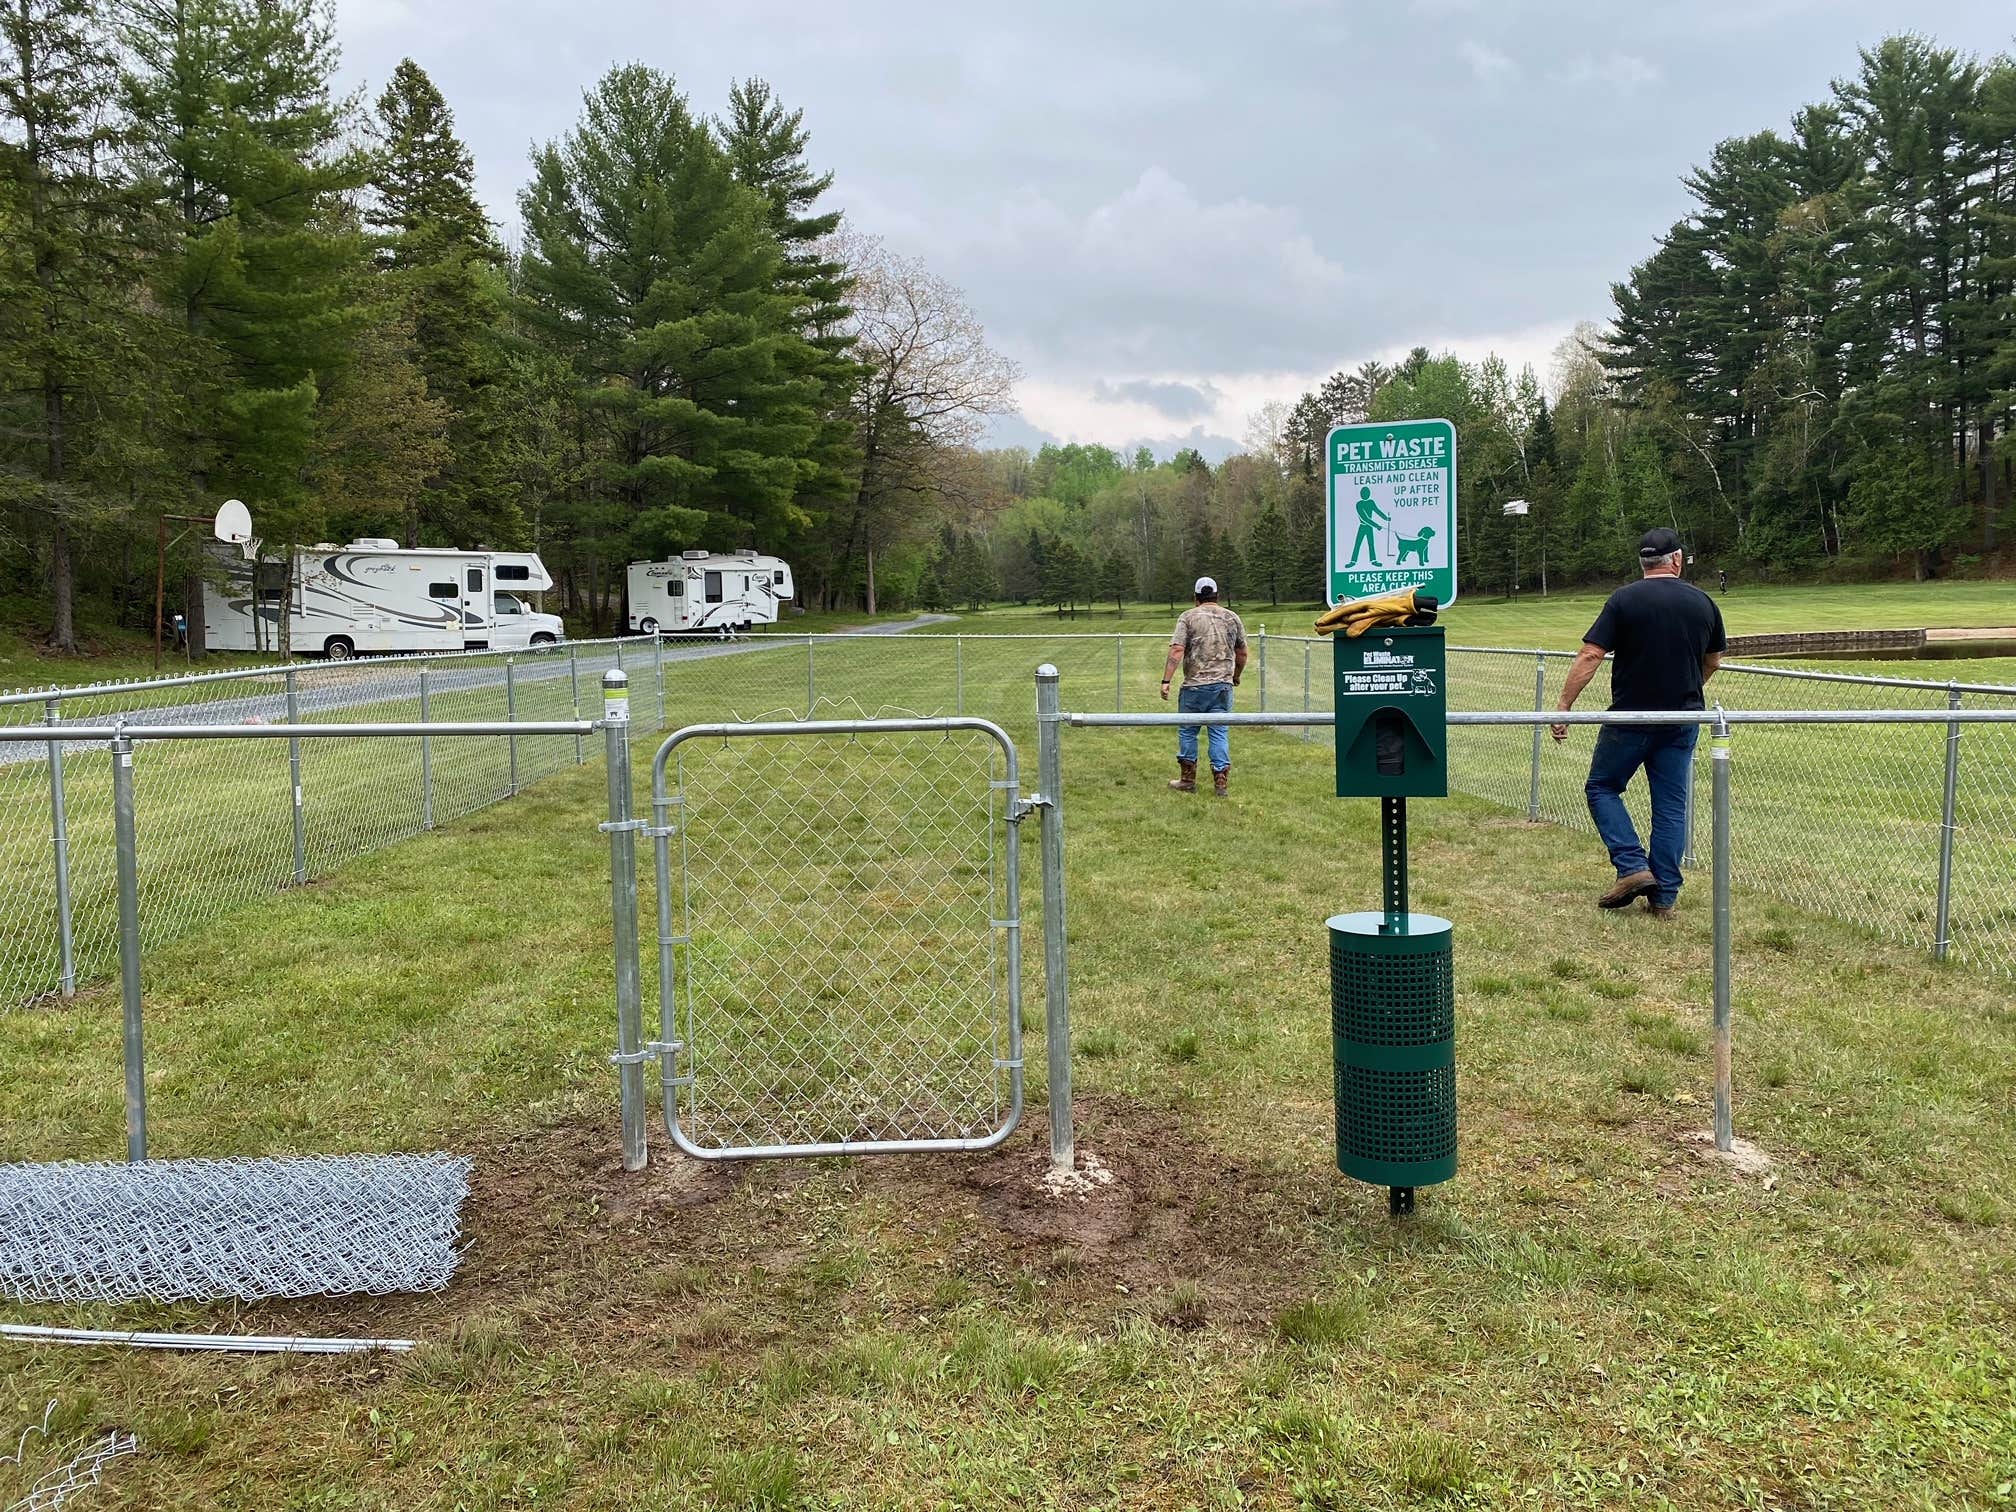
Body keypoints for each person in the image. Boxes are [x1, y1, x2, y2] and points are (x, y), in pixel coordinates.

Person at [1550, 528, 1725, 918]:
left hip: (1630, 717)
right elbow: (1713, 661)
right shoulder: (1703, 602)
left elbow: (1591, 654)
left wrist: (1564, 706)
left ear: (1642, 562)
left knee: (1602, 787)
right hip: (1682, 719)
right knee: (1670, 806)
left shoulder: (1624, 599)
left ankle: (1631, 866)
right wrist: (1688, 687)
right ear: (1676, 559)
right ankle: (1663, 898)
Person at [1160, 576, 1248, 797]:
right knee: (1219, 732)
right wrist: (1236, 676)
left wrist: (1166, 681)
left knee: (1188, 731)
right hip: (1222, 687)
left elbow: (1177, 650)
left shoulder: (1188, 617)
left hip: (1194, 687)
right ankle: (1220, 781)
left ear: (1196, 597)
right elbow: (1242, 653)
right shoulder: (1232, 617)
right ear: (1217, 596)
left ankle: (1187, 780)